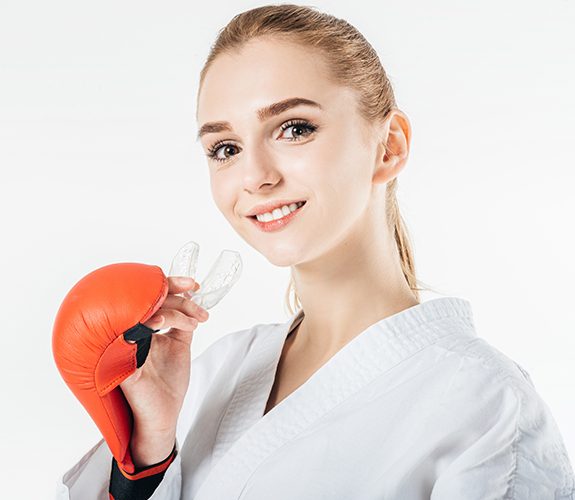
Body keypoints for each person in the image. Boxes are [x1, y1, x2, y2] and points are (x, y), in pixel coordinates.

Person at [55, 4, 575, 499]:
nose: (255, 176)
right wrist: (148, 451)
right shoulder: (217, 371)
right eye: (225, 149)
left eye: (294, 128)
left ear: (388, 145)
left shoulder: (484, 404)